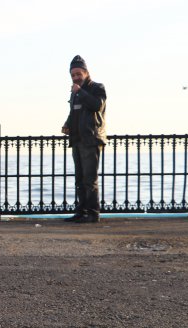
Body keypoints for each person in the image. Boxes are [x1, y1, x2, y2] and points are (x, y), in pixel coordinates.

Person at [61, 55, 107, 223]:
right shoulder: (75, 92)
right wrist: (67, 125)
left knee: (90, 179)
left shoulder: (97, 88)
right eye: (73, 75)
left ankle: (93, 213)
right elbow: (74, 113)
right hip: (77, 139)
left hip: (91, 139)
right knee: (80, 179)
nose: (76, 78)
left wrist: (80, 91)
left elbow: (97, 105)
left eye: (79, 74)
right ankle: (81, 211)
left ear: (86, 72)